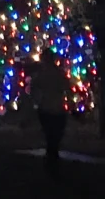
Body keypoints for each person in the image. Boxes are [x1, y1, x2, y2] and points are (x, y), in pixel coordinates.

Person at [30, 50, 70, 178]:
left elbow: (34, 86)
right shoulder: (58, 73)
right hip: (56, 109)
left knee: (50, 135)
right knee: (55, 135)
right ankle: (53, 158)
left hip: (48, 108)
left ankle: (51, 159)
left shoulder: (43, 74)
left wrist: (37, 100)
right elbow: (66, 87)